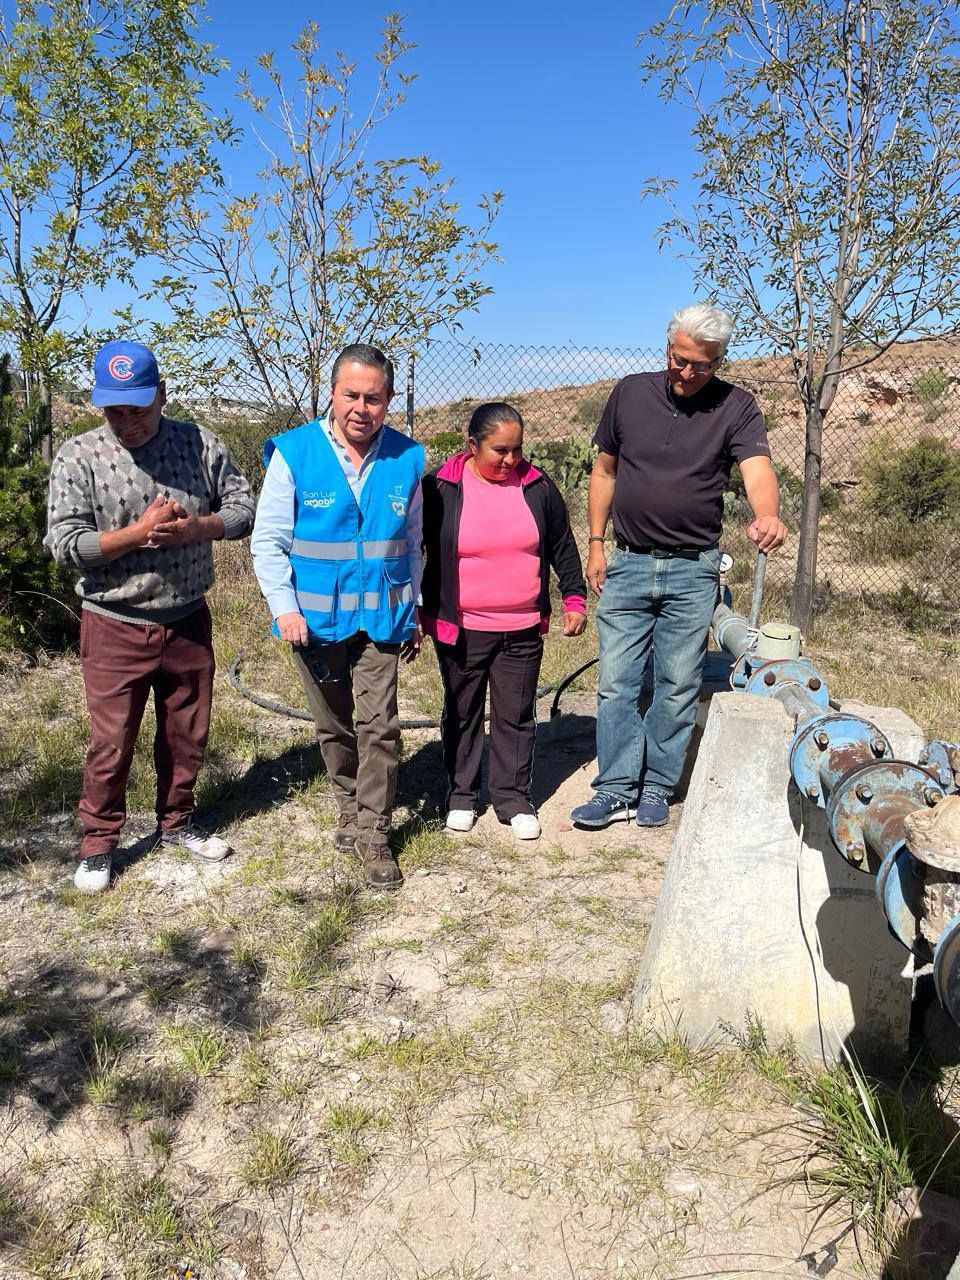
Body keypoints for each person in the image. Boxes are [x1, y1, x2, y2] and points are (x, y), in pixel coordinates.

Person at [45, 340, 255, 893]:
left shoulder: (197, 444)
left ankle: (177, 823)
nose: (128, 420)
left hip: (187, 618)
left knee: (187, 732)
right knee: (111, 740)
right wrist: (136, 536)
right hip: (113, 621)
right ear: (99, 404)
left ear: (162, 395)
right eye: (115, 409)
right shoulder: (80, 456)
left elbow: (244, 508)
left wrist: (196, 528)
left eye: (138, 407)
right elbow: (65, 544)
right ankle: (98, 844)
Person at [570, 303, 787, 830]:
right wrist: (596, 543)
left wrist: (769, 515)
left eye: (701, 365)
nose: (686, 373)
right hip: (629, 562)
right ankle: (616, 788)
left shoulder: (737, 406)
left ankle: (658, 787)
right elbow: (605, 472)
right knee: (617, 682)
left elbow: (757, 469)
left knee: (676, 682)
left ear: (719, 361)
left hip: (693, 570)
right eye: (678, 358)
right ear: (667, 346)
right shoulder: (629, 393)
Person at [251, 343, 424, 890]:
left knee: (381, 725)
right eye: (351, 394)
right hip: (315, 620)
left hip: (382, 616)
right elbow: (268, 541)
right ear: (332, 393)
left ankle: (375, 831)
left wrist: (414, 608)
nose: (361, 407)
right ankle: (348, 801)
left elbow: (413, 544)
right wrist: (284, 608)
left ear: (389, 400)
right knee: (333, 724)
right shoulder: (295, 453)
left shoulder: (407, 457)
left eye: (374, 397)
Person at [420, 402, 587, 840]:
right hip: (462, 626)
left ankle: (513, 798)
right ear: (471, 445)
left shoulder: (538, 486)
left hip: (522, 627)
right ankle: (461, 795)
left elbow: (562, 546)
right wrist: (412, 609)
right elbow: (411, 551)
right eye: (500, 451)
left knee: (516, 715)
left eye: (517, 449)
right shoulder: (439, 488)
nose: (512, 460)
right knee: (463, 711)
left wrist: (574, 598)